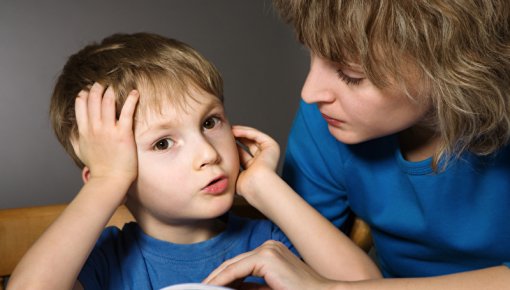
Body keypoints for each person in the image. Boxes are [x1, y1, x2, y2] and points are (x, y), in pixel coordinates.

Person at [7, 32, 380, 290]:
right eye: (164, 142)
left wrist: (263, 186)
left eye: (210, 122)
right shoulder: (107, 262)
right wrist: (108, 181)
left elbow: (369, 286)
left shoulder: (270, 242)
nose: (208, 153)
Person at [204, 0, 510, 289]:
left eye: (351, 75)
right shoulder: (325, 122)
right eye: (310, 53)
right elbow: (298, 259)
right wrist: (262, 187)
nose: (310, 93)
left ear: (454, 67)